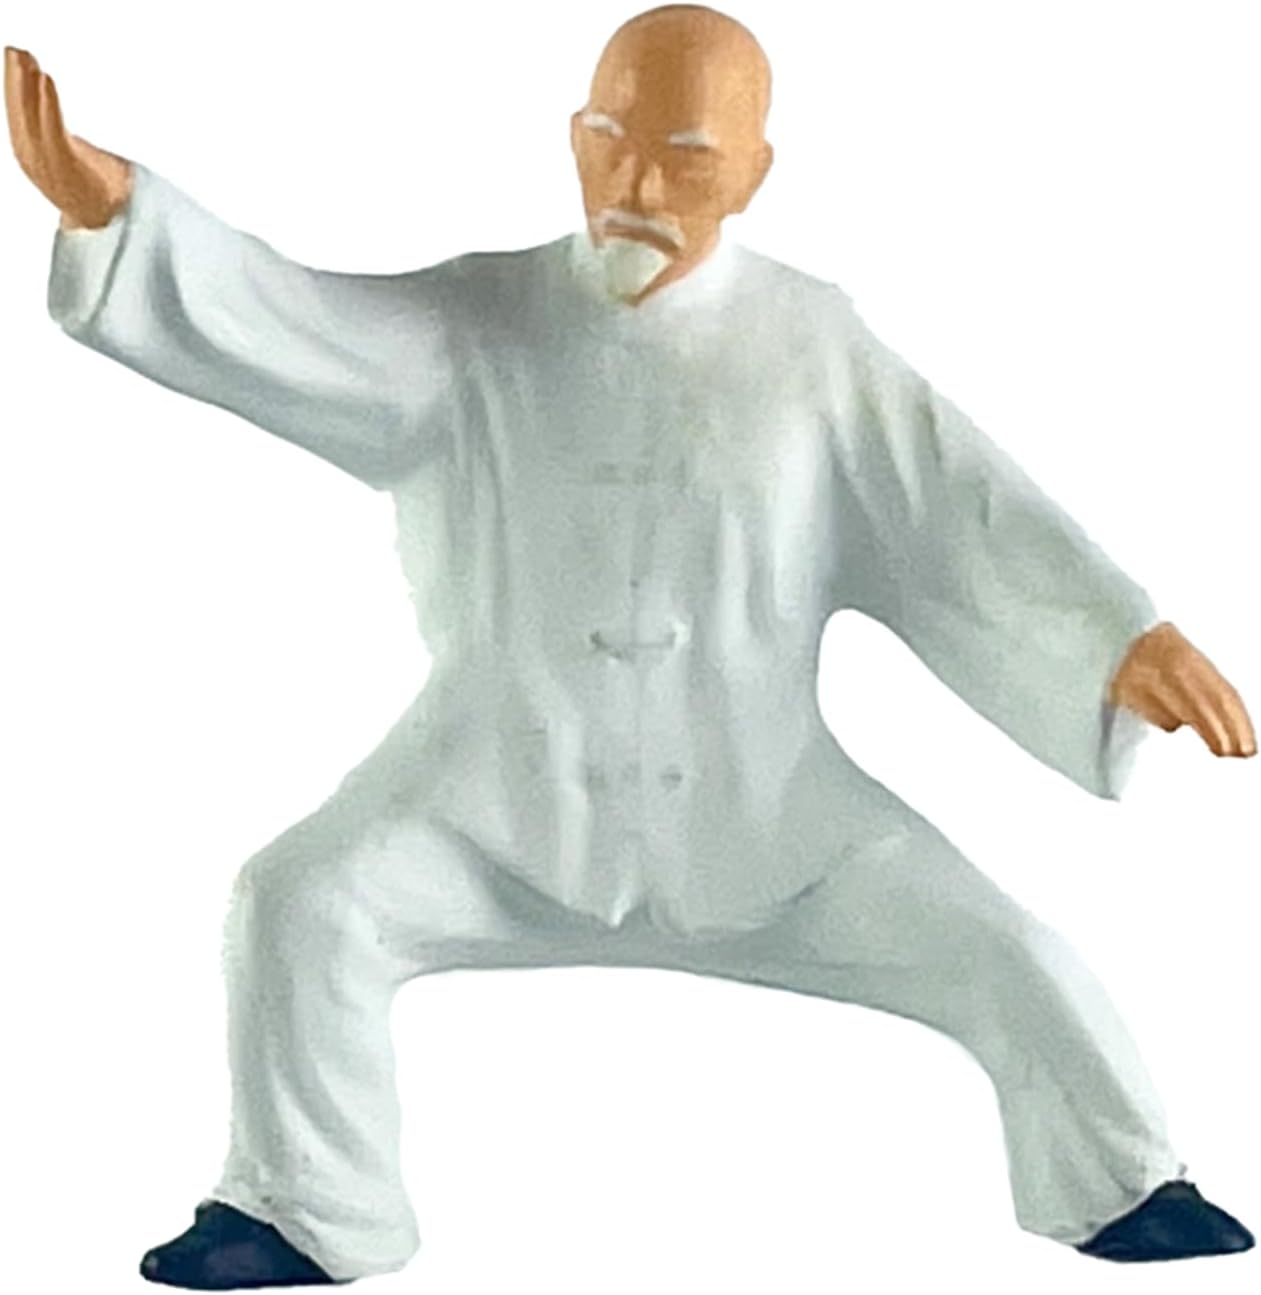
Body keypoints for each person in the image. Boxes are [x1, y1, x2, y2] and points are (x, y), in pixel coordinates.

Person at [5, 5, 1256, 1288]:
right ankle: (305, 1207)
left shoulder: (813, 349)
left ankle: (1122, 1186)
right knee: (297, 904)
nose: (637, 186)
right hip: (485, 806)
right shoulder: (475, 327)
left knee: (1016, 959)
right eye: (610, 140)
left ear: (754, 172)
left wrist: (1119, 642)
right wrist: (126, 219)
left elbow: (965, 511)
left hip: (771, 820)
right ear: (573, 137)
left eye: (685, 157)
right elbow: (293, 316)